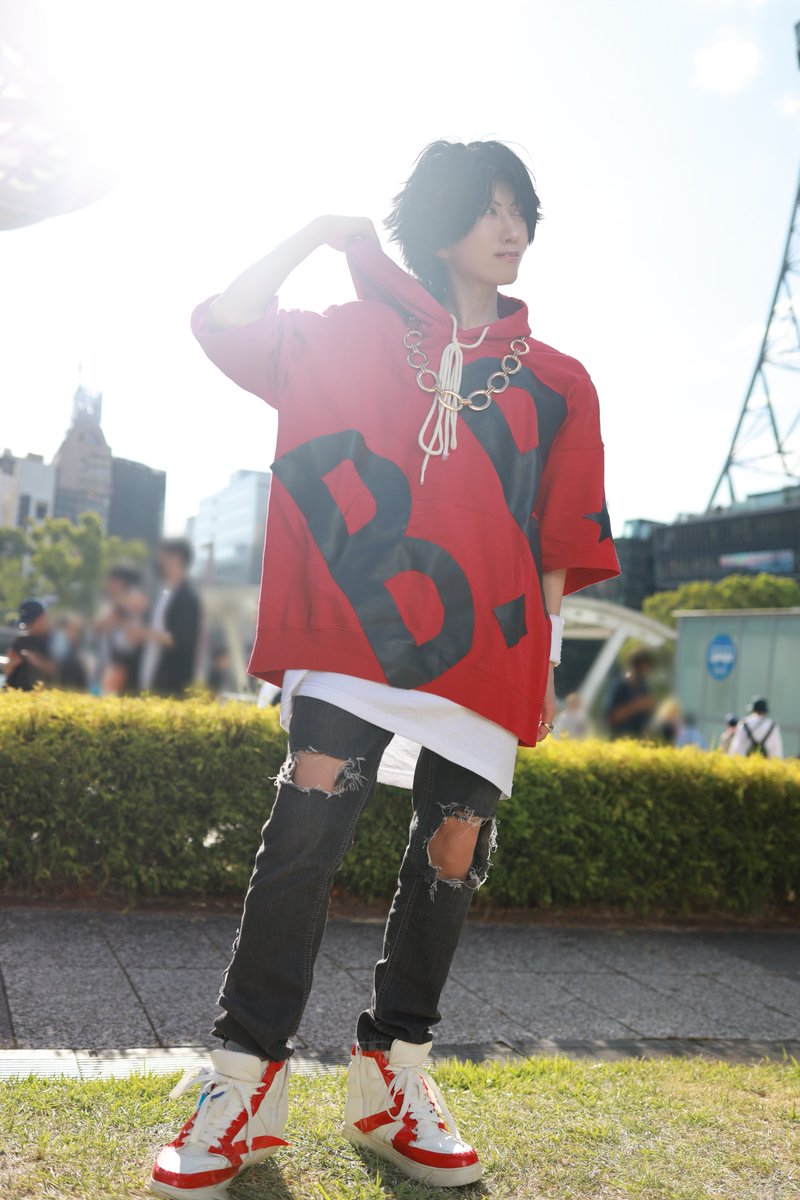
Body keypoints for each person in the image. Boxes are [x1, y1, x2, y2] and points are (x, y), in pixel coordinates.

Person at [150, 139, 620, 1197]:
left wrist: (543, 663)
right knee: (307, 819)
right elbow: (227, 321)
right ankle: (242, 1079)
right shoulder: (359, 332)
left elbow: (558, 540)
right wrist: (313, 236)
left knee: (454, 847)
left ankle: (392, 1075)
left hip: (490, 643)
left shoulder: (558, 382)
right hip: (351, 624)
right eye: (490, 207)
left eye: (521, 208)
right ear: (441, 221)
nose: (513, 227)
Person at [136, 538, 201, 697]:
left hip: (170, 687)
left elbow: (182, 641)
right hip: (147, 682)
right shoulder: (161, 593)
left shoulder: (188, 598)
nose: (158, 562)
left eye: (163, 556)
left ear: (177, 558)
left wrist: (145, 634)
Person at [94, 565, 148, 696]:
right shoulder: (109, 604)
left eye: (113, 581)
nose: (109, 585)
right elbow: (98, 625)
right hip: (107, 664)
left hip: (127, 666)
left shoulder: (135, 600)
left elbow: (134, 635)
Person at [4, 598, 57, 691]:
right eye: (26, 623)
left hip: (42, 697)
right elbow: (8, 673)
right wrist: (10, 665)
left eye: (31, 622)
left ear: (43, 617)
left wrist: (36, 660)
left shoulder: (56, 641)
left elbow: (65, 674)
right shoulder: (22, 640)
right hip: (14, 695)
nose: (27, 626)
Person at [607, 648, 656, 739]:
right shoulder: (620, 686)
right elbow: (612, 717)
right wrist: (636, 706)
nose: (646, 671)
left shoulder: (643, 687)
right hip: (620, 738)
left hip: (638, 737)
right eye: (644, 667)